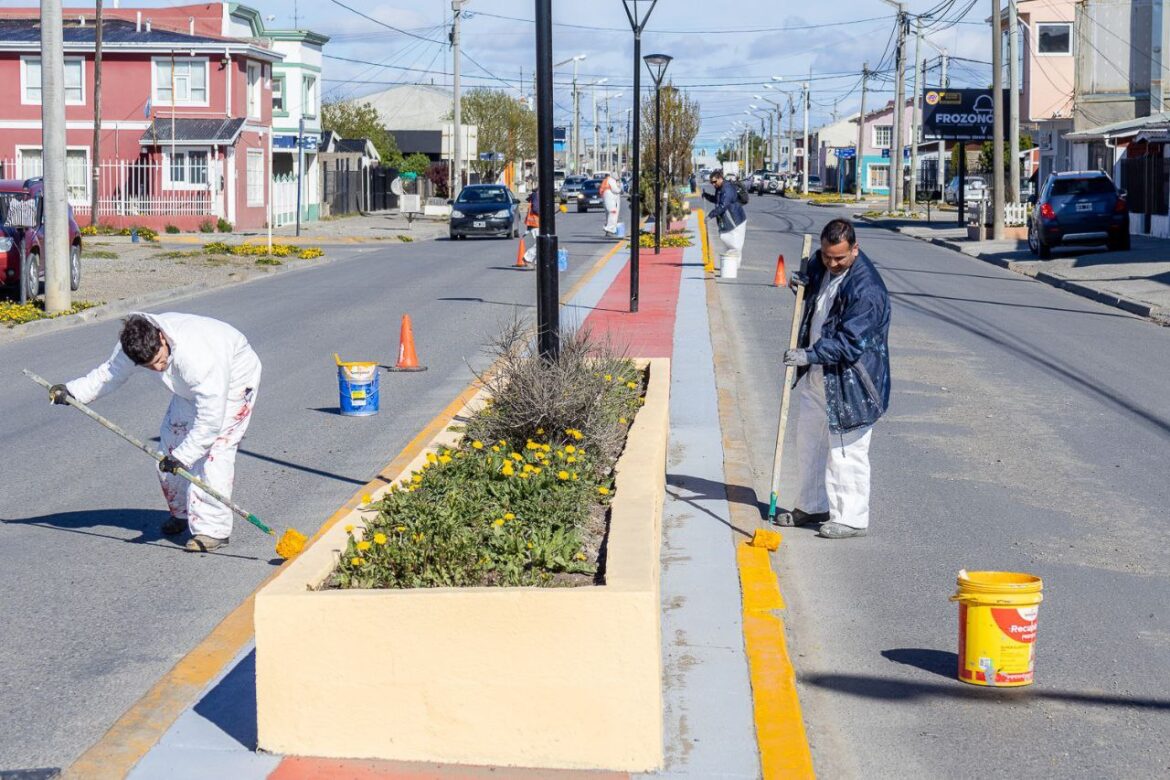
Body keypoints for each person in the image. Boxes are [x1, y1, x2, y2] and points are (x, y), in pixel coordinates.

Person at [49, 313, 262, 552]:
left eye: (160, 360)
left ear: (162, 338)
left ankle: (213, 530)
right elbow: (109, 374)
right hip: (189, 388)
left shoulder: (198, 356)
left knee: (213, 455)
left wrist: (185, 455)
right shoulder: (134, 344)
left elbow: (211, 419)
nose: (158, 367)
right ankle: (182, 512)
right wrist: (73, 392)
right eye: (149, 366)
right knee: (168, 451)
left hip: (234, 381)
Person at [778, 218, 890, 539]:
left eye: (839, 258)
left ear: (855, 249)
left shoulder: (868, 291)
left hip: (853, 381)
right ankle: (813, 505)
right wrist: (804, 283)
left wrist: (807, 354)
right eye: (827, 256)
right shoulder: (821, 263)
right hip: (820, 375)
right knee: (809, 441)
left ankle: (851, 517)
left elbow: (850, 342)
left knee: (846, 449)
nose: (832, 263)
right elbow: (817, 291)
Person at [702, 169, 747, 272]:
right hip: (730, 220)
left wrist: (710, 216)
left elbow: (723, 205)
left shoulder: (727, 189)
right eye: (711, 182)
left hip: (736, 221)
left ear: (720, 178)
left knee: (735, 245)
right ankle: (731, 266)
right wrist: (707, 196)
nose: (713, 184)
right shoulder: (720, 188)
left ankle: (732, 267)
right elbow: (717, 200)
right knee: (730, 244)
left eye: (714, 182)